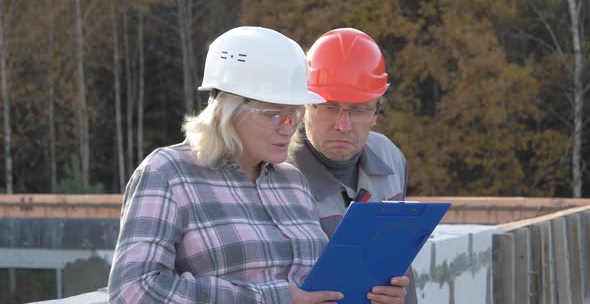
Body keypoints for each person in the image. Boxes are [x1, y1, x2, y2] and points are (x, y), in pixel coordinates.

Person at [107, 26, 345, 304]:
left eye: (295, 114)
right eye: (273, 114)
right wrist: (271, 299)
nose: (289, 128)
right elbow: (133, 291)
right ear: (227, 111)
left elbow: (313, 286)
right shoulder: (167, 173)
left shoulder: (293, 182)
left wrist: (369, 292)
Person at [288, 28, 418, 304]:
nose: (343, 125)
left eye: (358, 110)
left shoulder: (391, 159)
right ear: (305, 105)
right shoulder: (276, 173)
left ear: (377, 111)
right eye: (329, 107)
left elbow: (400, 262)